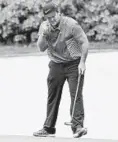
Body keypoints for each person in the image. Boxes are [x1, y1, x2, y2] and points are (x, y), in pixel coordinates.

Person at [33, 2, 89, 138]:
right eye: (48, 18)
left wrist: (82, 62)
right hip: (56, 64)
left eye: (53, 16)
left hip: (73, 63)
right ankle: (48, 128)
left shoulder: (71, 25)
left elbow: (84, 42)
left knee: (76, 95)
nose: (51, 19)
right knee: (53, 96)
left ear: (58, 13)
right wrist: (43, 35)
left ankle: (77, 127)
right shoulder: (45, 26)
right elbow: (41, 48)